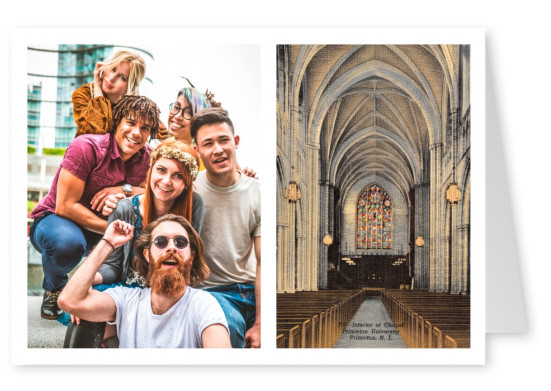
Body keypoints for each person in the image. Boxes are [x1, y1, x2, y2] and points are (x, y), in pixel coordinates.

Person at [60, 139, 204, 347]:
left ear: (187, 183)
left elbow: (191, 261)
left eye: (178, 175)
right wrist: (91, 279)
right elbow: (113, 265)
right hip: (127, 288)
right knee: (83, 314)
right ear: (151, 170)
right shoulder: (125, 209)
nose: (166, 181)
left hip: (168, 289)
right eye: (161, 170)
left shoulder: (194, 205)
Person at [29, 94, 160, 320]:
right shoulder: (86, 147)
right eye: (130, 122)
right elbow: (65, 206)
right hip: (56, 221)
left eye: (145, 127)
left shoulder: (150, 159)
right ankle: (54, 287)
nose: (137, 132)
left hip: (105, 230)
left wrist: (124, 188)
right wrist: (112, 231)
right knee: (67, 244)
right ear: (117, 122)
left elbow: (158, 191)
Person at [58, 215, 231, 348]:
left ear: (191, 257)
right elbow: (69, 300)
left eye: (180, 242)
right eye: (161, 242)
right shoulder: (126, 299)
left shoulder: (203, 305)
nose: (171, 247)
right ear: (147, 255)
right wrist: (107, 243)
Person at [190, 107, 261, 348]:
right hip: (214, 292)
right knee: (228, 330)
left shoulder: (257, 192)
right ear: (197, 151)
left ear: (236, 141)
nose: (218, 149)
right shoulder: (190, 191)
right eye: (208, 144)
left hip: (253, 289)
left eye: (223, 140)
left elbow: (263, 263)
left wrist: (261, 322)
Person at [72, 50, 147, 138]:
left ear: (130, 85)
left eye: (122, 77)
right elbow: (96, 132)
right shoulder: (83, 94)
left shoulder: (134, 108)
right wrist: (98, 88)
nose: (111, 78)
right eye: (113, 69)